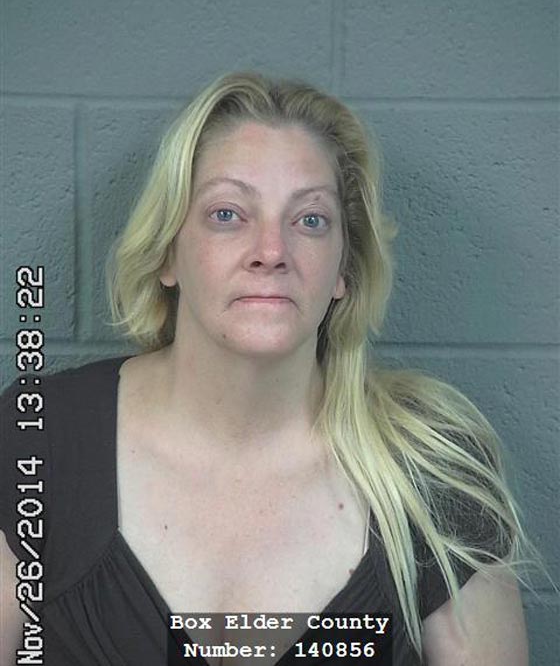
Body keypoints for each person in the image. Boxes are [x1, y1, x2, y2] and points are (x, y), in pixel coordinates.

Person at [1, 71, 535, 665]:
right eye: (228, 213)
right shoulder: (41, 436)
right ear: (168, 252)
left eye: (310, 220)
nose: (272, 251)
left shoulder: (433, 467)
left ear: (343, 269)